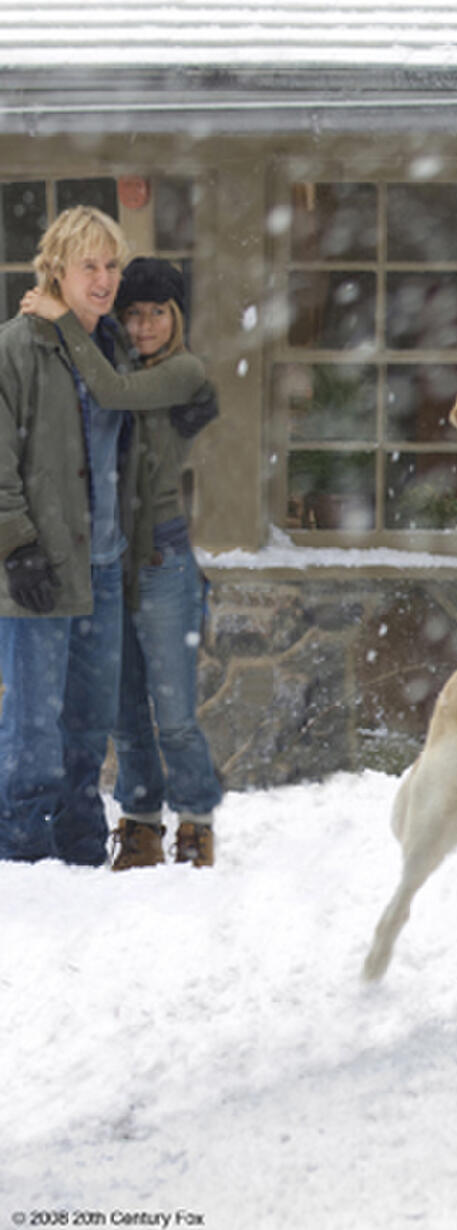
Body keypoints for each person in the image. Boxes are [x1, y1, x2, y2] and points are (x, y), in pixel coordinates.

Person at [22, 258, 223, 869]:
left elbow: (113, 392)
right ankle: (140, 823)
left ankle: (195, 822)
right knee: (125, 713)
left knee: (176, 715)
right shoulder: (115, 359)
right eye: (132, 313)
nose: (143, 326)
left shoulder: (183, 371)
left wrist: (63, 322)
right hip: (112, 557)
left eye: (157, 312)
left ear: (176, 316)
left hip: (162, 558)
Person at [0, 205, 136, 865]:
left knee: (88, 719)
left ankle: (80, 835)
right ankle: (21, 842)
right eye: (90, 265)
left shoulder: (114, 348)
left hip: (106, 563)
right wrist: (16, 543)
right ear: (57, 269)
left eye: (111, 265)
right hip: (40, 564)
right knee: (31, 721)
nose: (104, 278)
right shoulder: (16, 348)